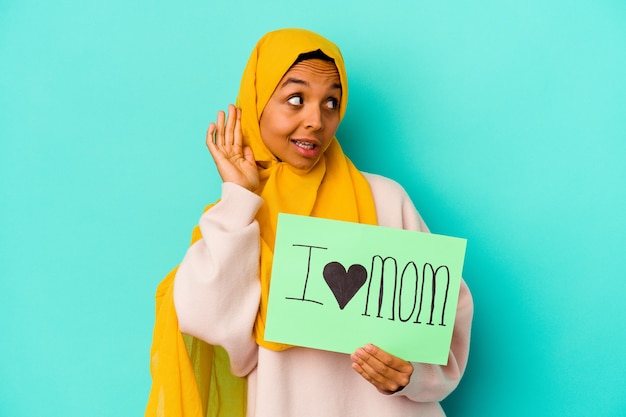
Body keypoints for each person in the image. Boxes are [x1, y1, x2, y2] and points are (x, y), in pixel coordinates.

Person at [145, 28, 473, 417]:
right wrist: (240, 198)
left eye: (331, 102)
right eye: (296, 100)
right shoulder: (238, 216)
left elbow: (443, 324)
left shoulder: (386, 199)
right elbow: (211, 327)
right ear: (257, 103)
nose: (316, 120)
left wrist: (411, 375)